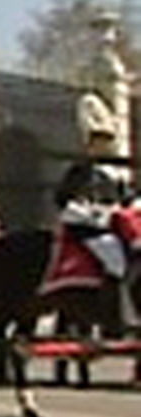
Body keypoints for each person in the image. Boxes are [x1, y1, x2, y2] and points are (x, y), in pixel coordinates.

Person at [54, 92, 140, 333]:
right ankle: (119, 316)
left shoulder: (115, 171)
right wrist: (95, 214)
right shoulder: (80, 171)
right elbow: (63, 200)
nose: (103, 144)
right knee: (117, 261)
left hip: (117, 227)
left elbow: (129, 198)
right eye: (98, 140)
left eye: (107, 139)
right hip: (88, 230)